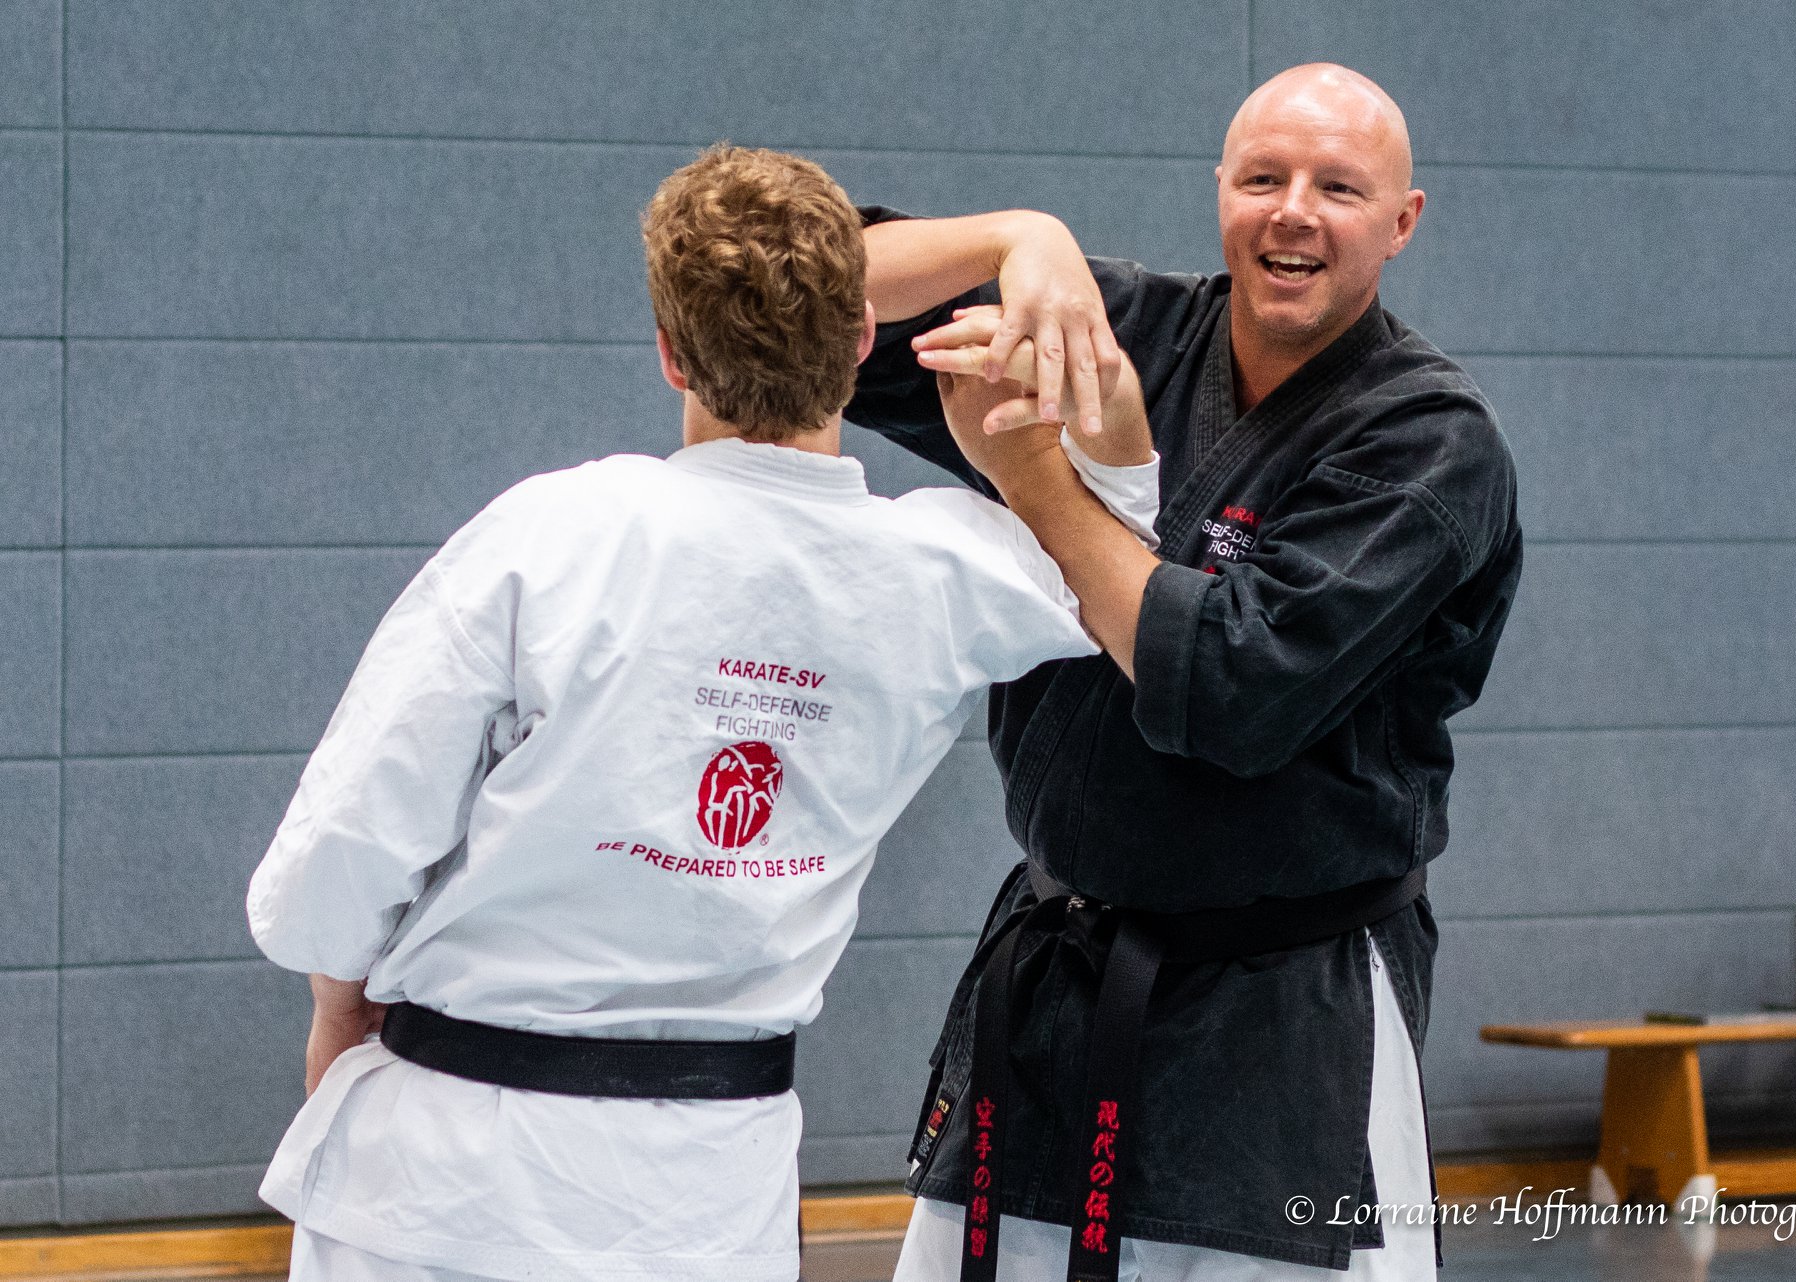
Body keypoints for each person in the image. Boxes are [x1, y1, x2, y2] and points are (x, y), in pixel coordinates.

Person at [245, 144, 1163, 1282]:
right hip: (704, 1203)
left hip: (446, 1179)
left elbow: (343, 851)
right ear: (864, 342)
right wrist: (1062, 410)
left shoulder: (551, 536)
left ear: (671, 352)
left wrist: (338, 1002)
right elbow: (1116, 545)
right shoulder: (942, 572)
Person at [849, 64, 1525, 1281]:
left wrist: (1038, 484)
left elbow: (1228, 690)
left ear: (1400, 220)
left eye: (1336, 186)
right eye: (1262, 177)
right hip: (1056, 993)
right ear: (1218, 189)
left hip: (1286, 1025)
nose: (1292, 212)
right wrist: (1019, 236)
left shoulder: (1428, 441)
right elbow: (792, 292)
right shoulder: (1115, 326)